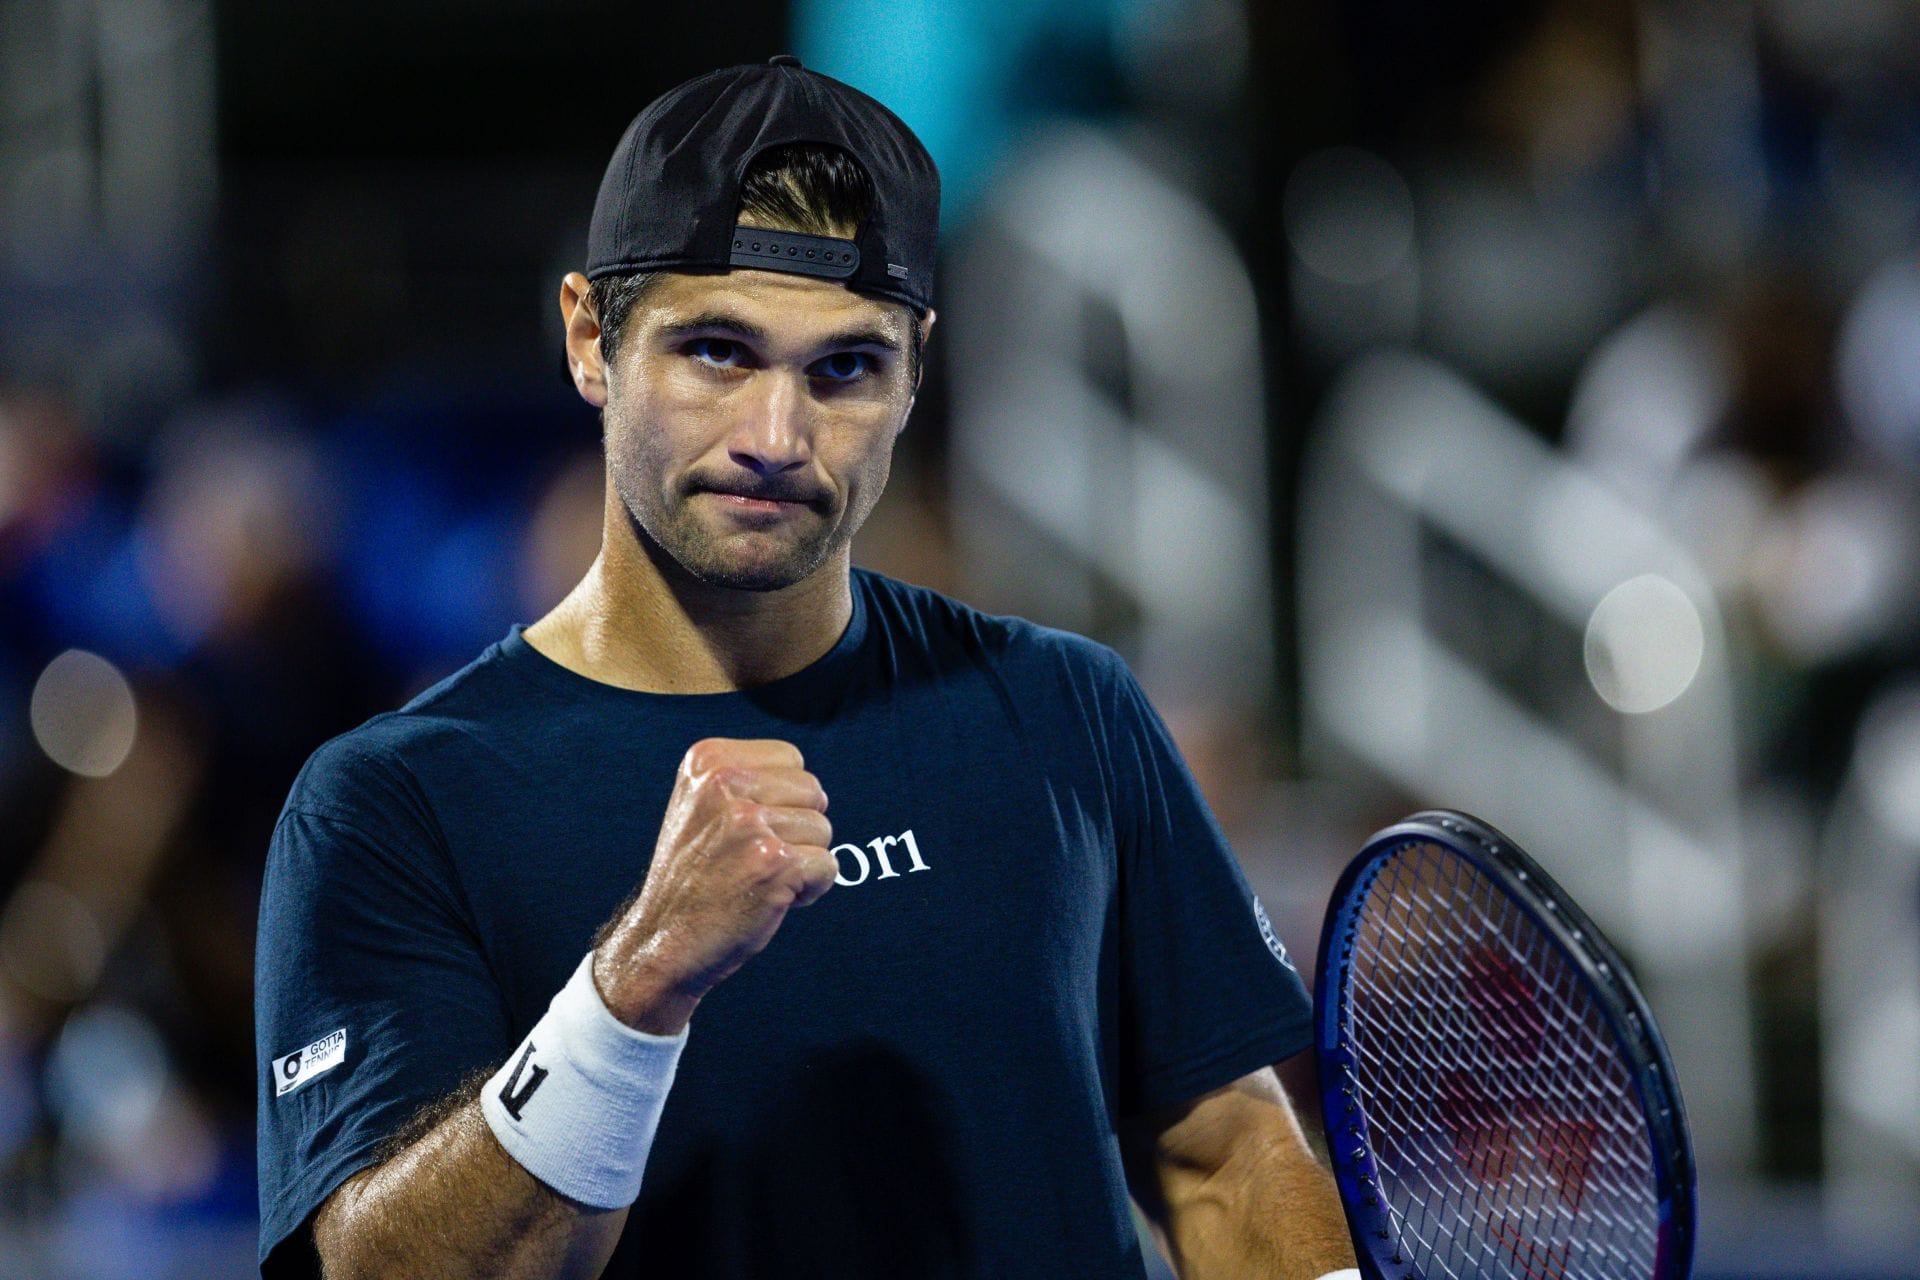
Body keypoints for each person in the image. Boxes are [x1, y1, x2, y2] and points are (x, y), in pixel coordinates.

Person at [254, 56, 1358, 1280]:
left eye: (844, 369)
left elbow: (1227, 1153)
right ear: (588, 338)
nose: (777, 439)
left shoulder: (1067, 708)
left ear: (915, 369)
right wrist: (636, 985)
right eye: (718, 351)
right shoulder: (397, 800)